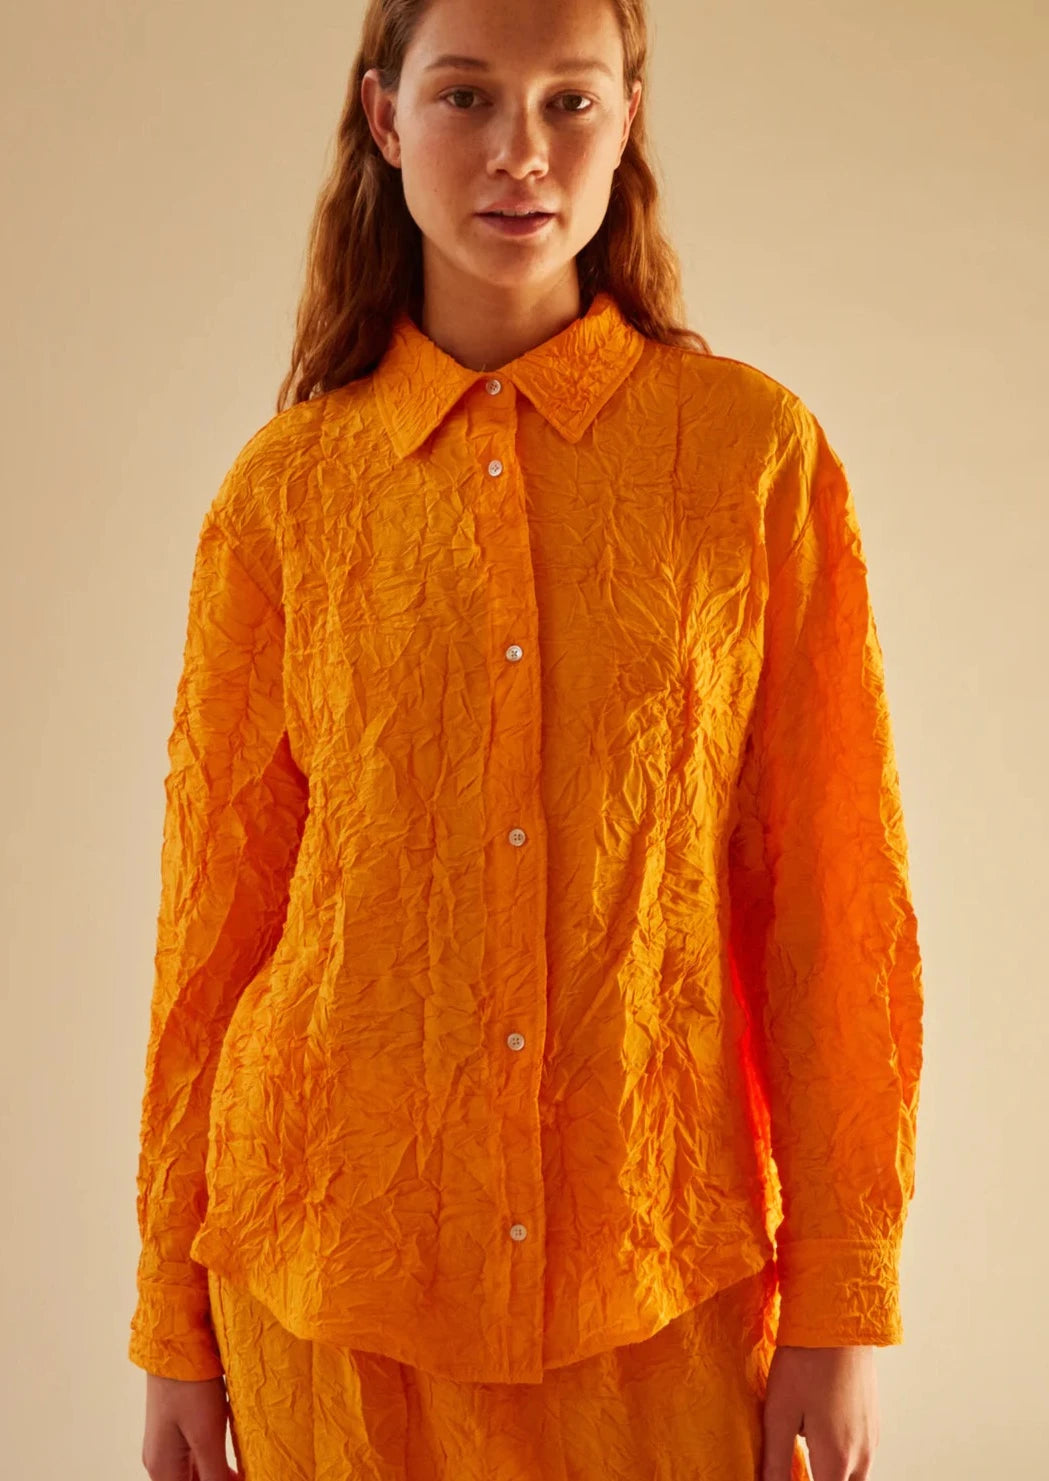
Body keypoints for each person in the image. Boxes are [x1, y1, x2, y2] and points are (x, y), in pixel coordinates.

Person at [129, 0, 924, 1477]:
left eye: (570, 100)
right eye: (466, 96)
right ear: (384, 118)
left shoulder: (749, 457)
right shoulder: (285, 493)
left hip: (654, 1288)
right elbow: (215, 922)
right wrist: (171, 1319)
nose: (521, 151)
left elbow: (832, 895)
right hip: (329, 1287)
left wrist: (842, 1297)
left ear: (629, 119)